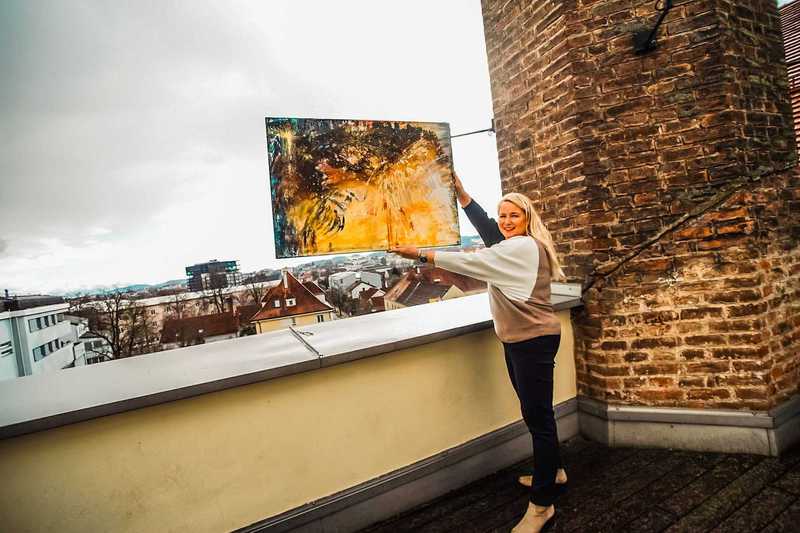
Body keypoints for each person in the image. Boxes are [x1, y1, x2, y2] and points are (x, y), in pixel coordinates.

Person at [390, 173, 567, 533]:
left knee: (539, 419)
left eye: (514, 215)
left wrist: (420, 252)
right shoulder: (515, 245)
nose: (506, 221)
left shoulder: (522, 248)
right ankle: (554, 472)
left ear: (527, 219)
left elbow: (473, 262)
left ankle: (542, 506)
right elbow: (488, 231)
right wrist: (463, 195)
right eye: (503, 215)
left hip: (532, 342)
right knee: (537, 415)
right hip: (522, 340)